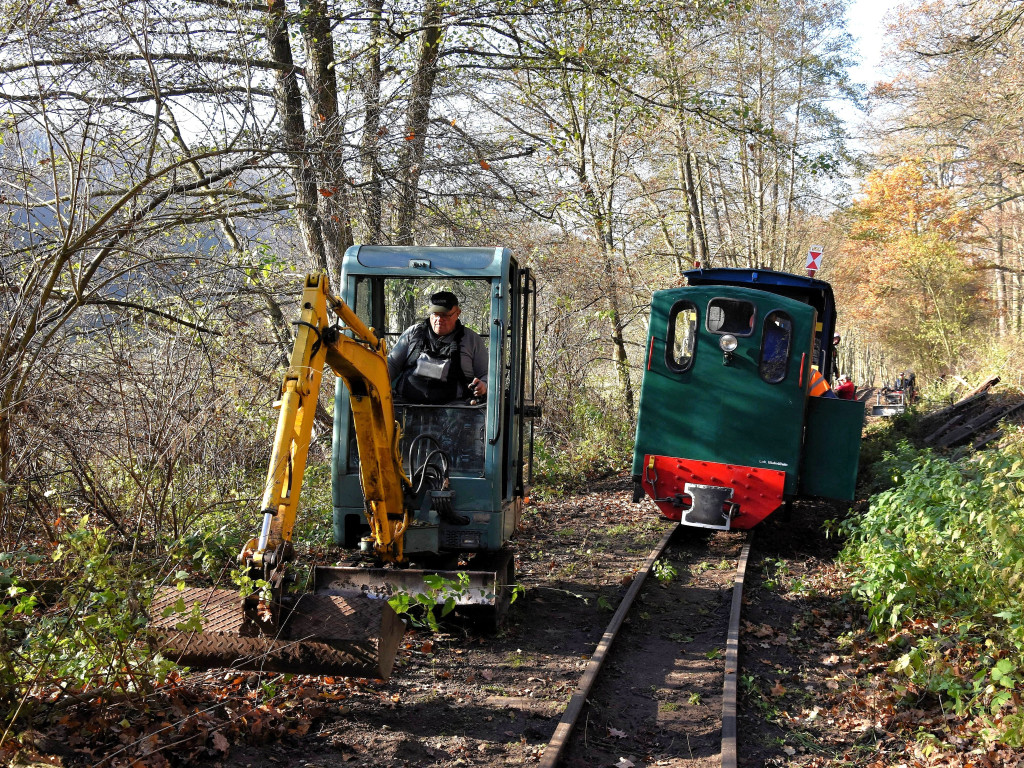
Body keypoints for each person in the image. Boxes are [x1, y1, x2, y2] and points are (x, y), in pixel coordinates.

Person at [387, 291, 488, 404]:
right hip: (408, 407)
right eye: (435, 314)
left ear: (457, 313)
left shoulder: (471, 340)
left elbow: (487, 373)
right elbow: (391, 365)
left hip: (456, 412)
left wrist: (483, 385)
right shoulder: (413, 333)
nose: (439, 319)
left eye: (445, 315)